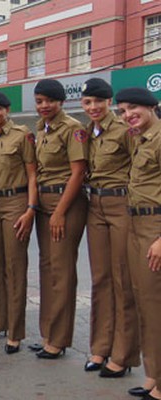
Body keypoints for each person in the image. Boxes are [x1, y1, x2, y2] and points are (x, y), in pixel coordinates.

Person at [81, 79, 140, 377]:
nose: (93, 108)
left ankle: (123, 355)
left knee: (122, 279)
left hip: (121, 206)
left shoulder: (125, 132)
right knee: (100, 278)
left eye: (98, 102)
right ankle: (100, 348)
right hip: (95, 206)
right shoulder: (87, 134)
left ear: (109, 103)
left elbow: (140, 169)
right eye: (88, 102)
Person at [31, 79, 88, 359]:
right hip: (44, 204)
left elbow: (78, 173)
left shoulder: (73, 129)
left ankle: (59, 339)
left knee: (61, 271)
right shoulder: (42, 128)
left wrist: (60, 212)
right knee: (46, 268)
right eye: (39, 101)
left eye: (49, 101)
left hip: (64, 204)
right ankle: (47, 334)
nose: (43, 106)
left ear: (61, 102)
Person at [0, 90, 37, 354]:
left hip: (16, 202)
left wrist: (30, 209)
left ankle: (15, 332)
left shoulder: (22, 135)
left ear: (7, 110)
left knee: (15, 267)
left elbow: (32, 175)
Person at [116, 87, 161, 400]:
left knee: (155, 305)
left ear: (151, 107)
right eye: (122, 110)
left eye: (133, 108)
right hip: (135, 222)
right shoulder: (138, 138)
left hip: (154, 226)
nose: (127, 114)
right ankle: (152, 376)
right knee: (144, 302)